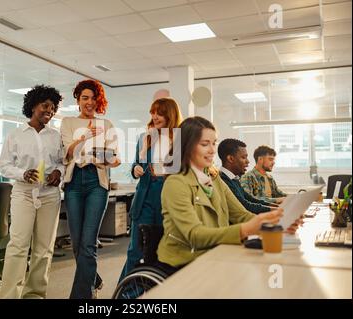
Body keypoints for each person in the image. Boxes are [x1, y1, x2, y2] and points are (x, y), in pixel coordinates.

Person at [157, 117, 300, 271]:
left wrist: (276, 224)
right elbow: (195, 235)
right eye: (205, 144)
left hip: (216, 253)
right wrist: (246, 229)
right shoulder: (176, 183)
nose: (212, 150)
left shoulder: (214, 178)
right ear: (186, 147)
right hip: (185, 261)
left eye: (214, 143)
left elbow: (240, 214)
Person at [0, 85, 64, 299]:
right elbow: (4, 165)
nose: (49, 111)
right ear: (33, 105)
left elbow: (62, 162)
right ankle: (8, 295)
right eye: (46, 105)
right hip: (24, 194)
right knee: (18, 246)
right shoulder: (16, 135)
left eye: (53, 108)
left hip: (49, 195)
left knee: (44, 249)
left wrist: (58, 173)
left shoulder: (55, 136)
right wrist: (23, 173)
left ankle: (34, 294)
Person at [60, 79, 120, 299]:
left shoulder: (107, 124)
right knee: (77, 243)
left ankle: (83, 297)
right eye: (85, 98)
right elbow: (66, 154)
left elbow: (113, 158)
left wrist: (101, 155)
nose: (89, 102)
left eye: (94, 98)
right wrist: (86, 137)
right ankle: (93, 279)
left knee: (87, 243)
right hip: (74, 182)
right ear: (77, 100)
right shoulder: (67, 122)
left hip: (97, 182)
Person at [119, 97, 183, 282]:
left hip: (168, 195)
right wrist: (135, 169)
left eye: (160, 113)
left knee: (163, 250)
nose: (155, 116)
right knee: (136, 251)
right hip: (145, 195)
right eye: (153, 112)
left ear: (170, 114)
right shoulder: (145, 137)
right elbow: (135, 164)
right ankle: (127, 295)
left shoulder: (180, 138)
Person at [217, 138, 275, 214]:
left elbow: (249, 199)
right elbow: (244, 205)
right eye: (243, 157)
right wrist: (275, 209)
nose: (248, 161)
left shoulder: (234, 179)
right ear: (231, 159)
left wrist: (273, 206)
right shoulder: (223, 180)